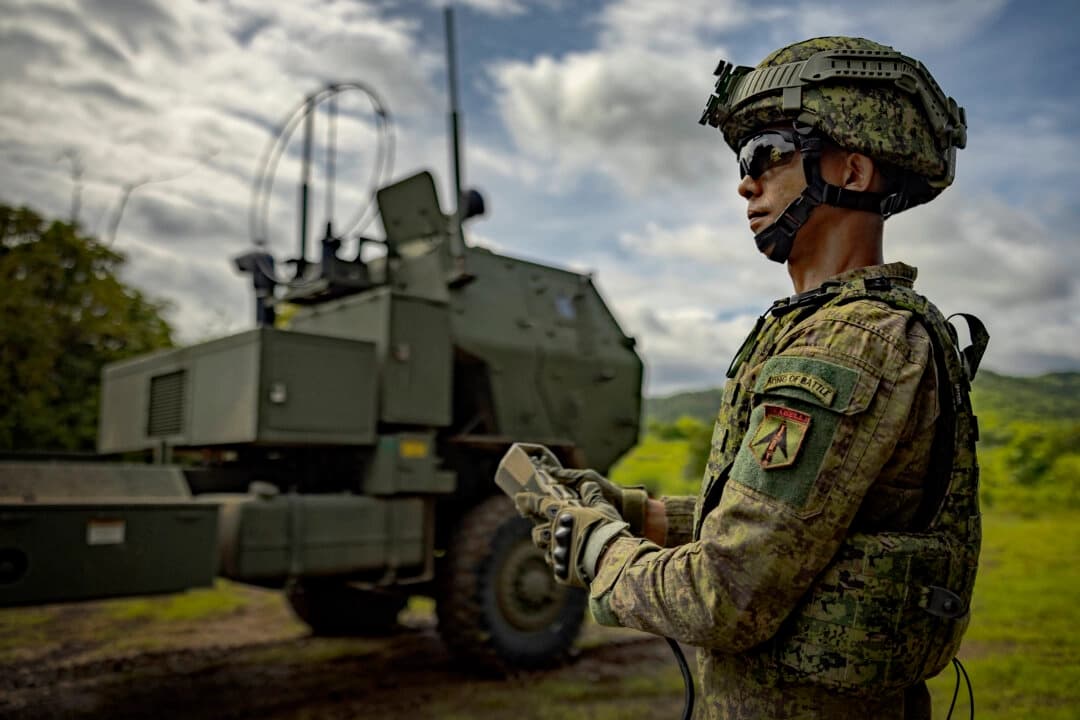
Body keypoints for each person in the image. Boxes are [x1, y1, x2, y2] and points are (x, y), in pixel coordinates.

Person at [514, 36, 988, 719]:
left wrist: (599, 548)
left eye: (767, 154)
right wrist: (640, 516)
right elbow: (795, 527)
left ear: (852, 170)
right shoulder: (824, 326)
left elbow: (721, 594)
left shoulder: (849, 341)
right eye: (746, 161)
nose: (746, 181)